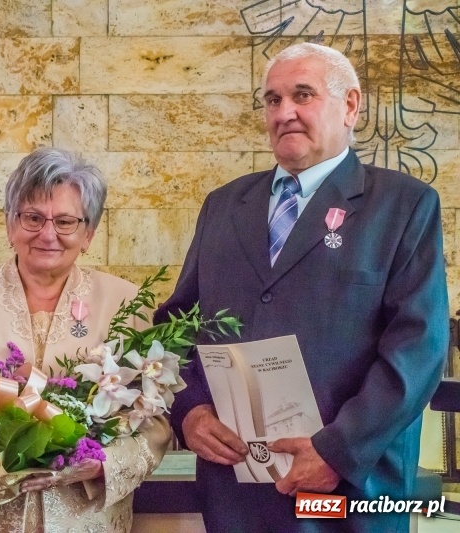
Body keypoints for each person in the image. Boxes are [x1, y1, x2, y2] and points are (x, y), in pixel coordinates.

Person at [156, 42, 448, 532]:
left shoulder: (404, 206)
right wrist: (189, 412)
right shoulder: (223, 206)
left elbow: (419, 347)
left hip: (349, 489)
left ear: (350, 106)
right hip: (235, 490)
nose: (284, 112)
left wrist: (338, 451)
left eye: (302, 95)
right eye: (272, 100)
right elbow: (176, 326)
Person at [0, 147, 171, 532]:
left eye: (66, 221)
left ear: (88, 233)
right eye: (32, 217)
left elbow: (152, 422)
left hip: (83, 520)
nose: (48, 234)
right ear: (10, 225)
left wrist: (102, 464)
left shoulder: (125, 302)